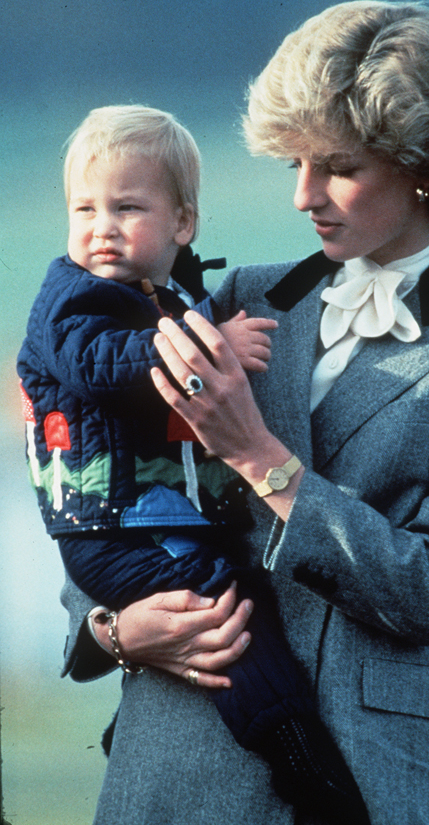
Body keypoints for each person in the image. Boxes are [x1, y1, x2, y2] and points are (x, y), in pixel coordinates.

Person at [59, 1, 429, 825]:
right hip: (177, 755)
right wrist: (113, 627)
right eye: (293, 162)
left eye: (336, 165)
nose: (303, 195)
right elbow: (104, 485)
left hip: (373, 771)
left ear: (424, 166)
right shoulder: (235, 298)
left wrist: (259, 454)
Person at [17, 104, 371, 824]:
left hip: (153, 518)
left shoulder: (169, 296)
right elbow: (100, 365)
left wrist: (197, 322)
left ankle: (276, 730)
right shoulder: (73, 299)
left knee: (237, 598)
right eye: (83, 209)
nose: (101, 227)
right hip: (112, 529)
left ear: (182, 224)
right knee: (225, 613)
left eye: (126, 207)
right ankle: (293, 749)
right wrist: (209, 343)